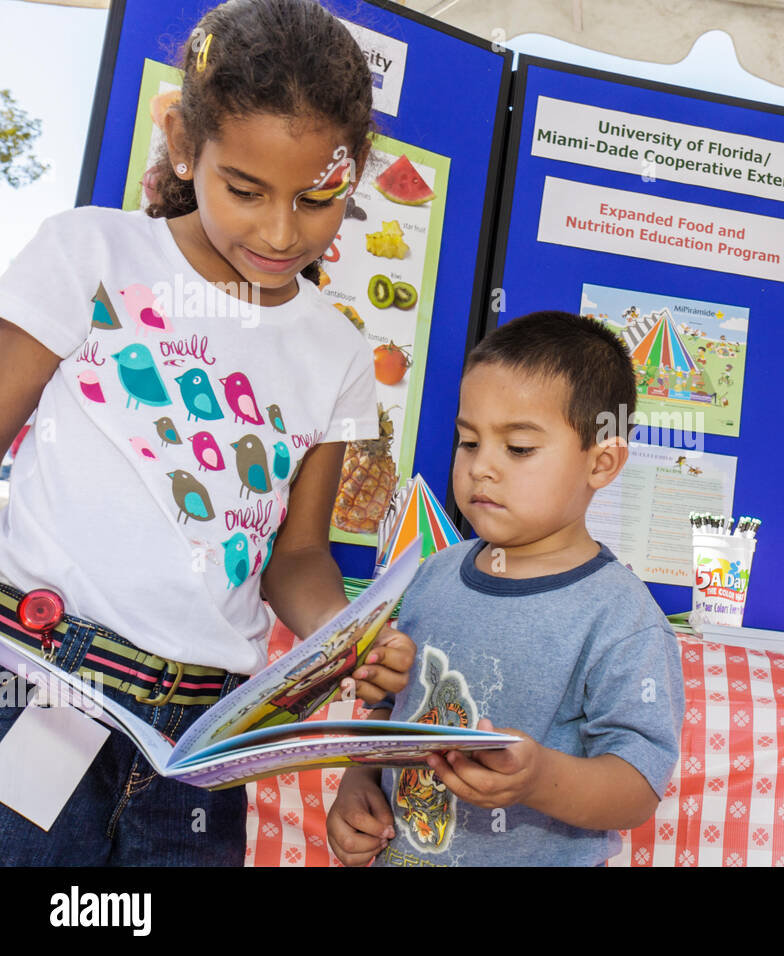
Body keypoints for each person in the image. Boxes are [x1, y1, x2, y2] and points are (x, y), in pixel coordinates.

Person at [0, 0, 413, 865]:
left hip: (200, 746)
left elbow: (295, 556)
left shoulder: (338, 352)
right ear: (185, 143)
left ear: (356, 171)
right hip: (37, 686)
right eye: (246, 190)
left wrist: (346, 636)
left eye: (316, 198)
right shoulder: (91, 254)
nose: (279, 231)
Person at [327, 312, 685, 866]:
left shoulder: (622, 617)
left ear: (603, 461)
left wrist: (538, 779)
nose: (481, 468)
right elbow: (388, 712)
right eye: (468, 442)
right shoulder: (430, 575)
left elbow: (636, 786)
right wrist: (359, 784)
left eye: (518, 448)